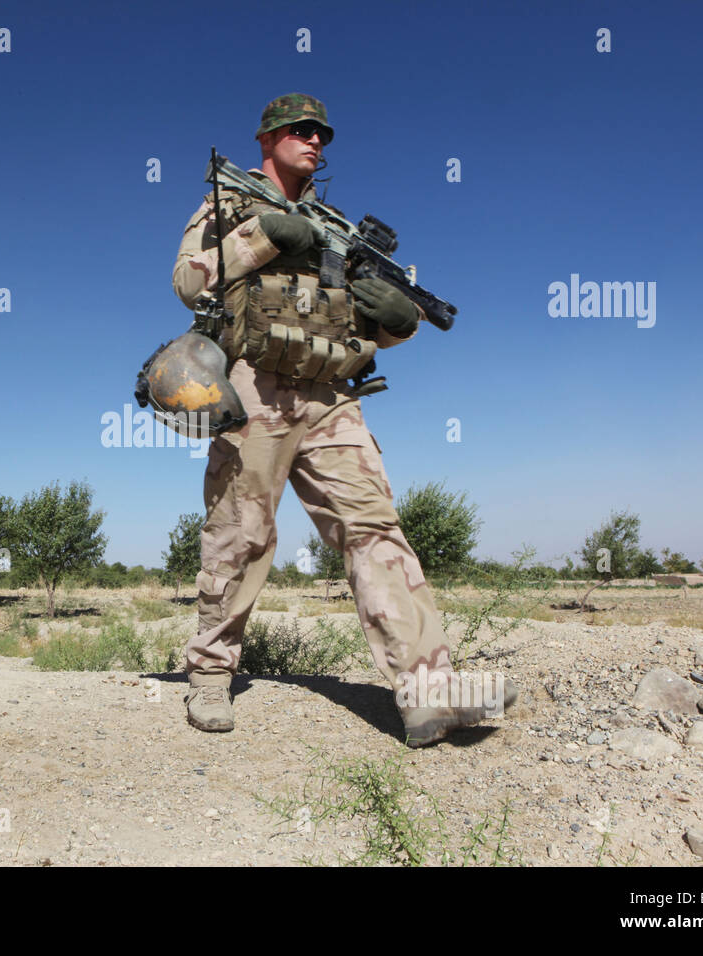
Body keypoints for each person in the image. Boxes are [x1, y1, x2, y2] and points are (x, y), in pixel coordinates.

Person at [171, 93, 516, 747]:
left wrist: (394, 322)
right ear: (267, 139)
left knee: (375, 530)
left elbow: (350, 322)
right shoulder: (229, 202)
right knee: (240, 535)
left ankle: (427, 695)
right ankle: (211, 675)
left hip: (332, 395)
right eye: (301, 131)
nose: (315, 141)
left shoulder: (337, 228)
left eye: (322, 133)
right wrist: (266, 236)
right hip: (255, 388)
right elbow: (191, 283)